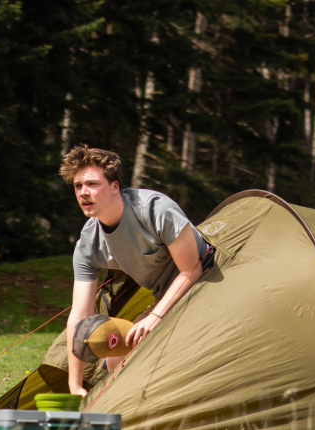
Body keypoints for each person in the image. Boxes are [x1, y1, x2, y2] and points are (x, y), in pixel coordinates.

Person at [61, 145, 212, 397]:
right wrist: (74, 385)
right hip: (169, 299)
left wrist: (156, 317)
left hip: (210, 282)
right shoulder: (89, 243)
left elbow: (192, 268)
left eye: (92, 184)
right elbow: (79, 318)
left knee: (147, 346)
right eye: (78, 186)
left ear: (114, 187)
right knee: (117, 354)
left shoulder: (154, 210)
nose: (84, 193)